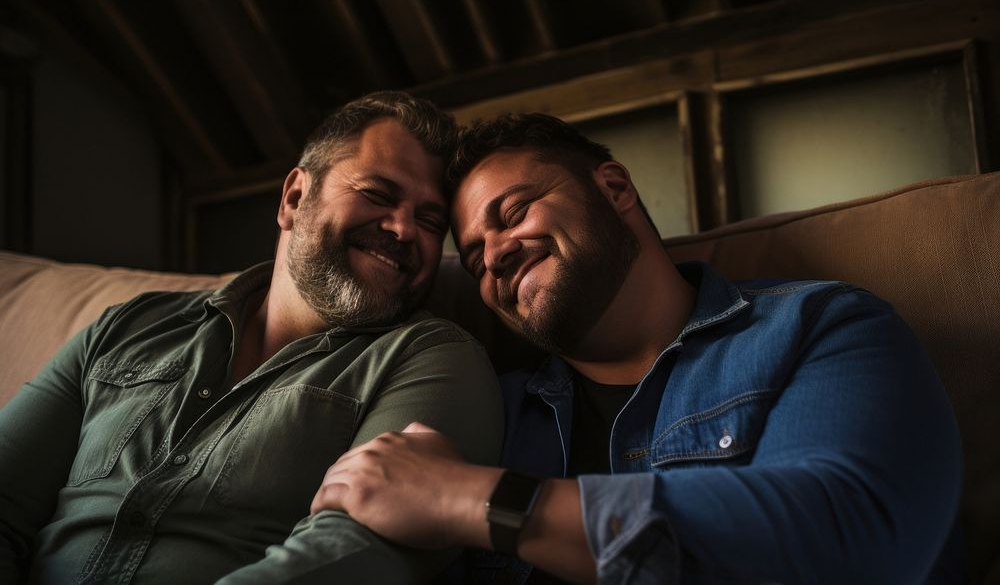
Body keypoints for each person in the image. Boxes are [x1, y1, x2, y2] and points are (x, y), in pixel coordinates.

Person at [311, 112, 964, 583]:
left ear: (615, 190)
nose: (497, 256)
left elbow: (852, 539)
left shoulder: (822, 325)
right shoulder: (495, 413)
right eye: (475, 258)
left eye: (511, 215)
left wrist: (474, 499)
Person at [0, 91, 503, 584]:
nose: (403, 229)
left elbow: (360, 553)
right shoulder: (125, 326)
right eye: (378, 194)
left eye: (431, 220)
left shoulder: (432, 359)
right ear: (294, 198)